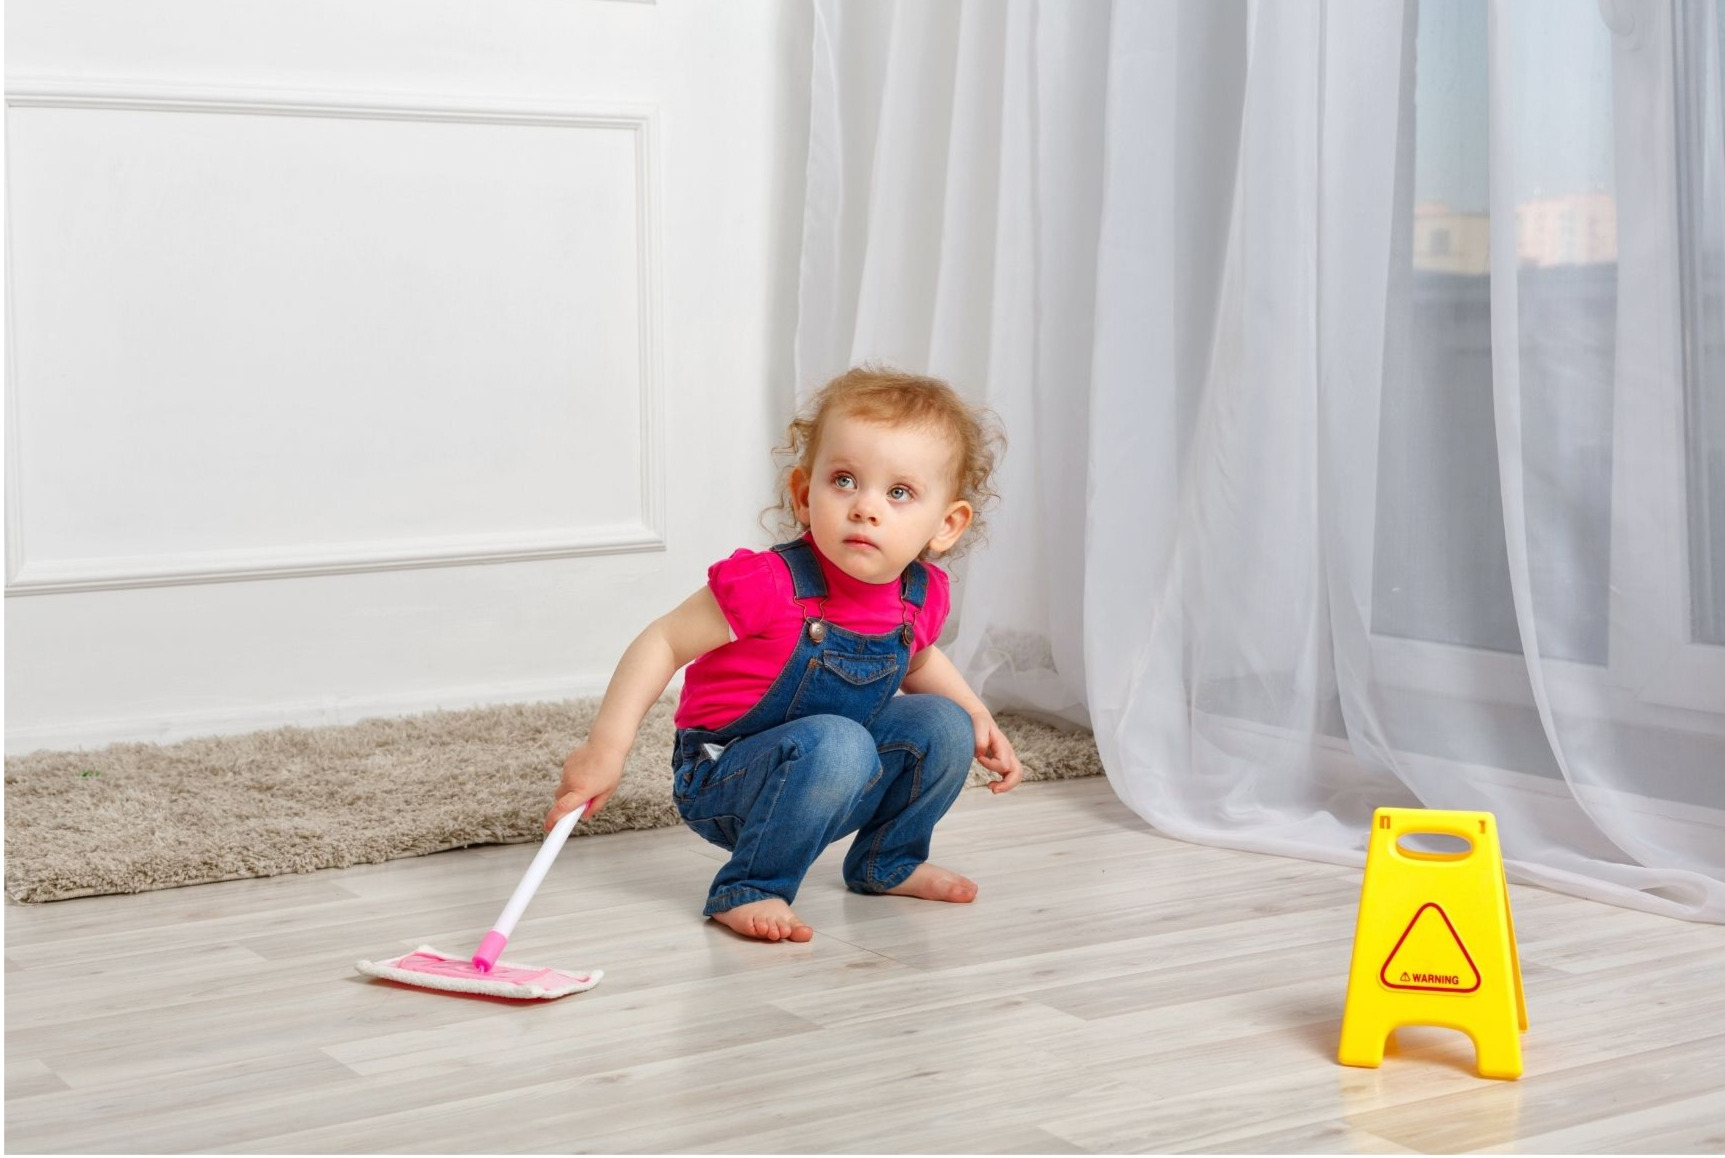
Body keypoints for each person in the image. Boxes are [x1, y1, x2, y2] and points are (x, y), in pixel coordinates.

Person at [544, 365, 1022, 942]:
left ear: (946, 525)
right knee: (840, 740)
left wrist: (976, 714)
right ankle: (750, 886)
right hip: (729, 780)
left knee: (944, 724)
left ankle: (888, 861)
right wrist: (606, 747)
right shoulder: (768, 583)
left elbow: (918, 662)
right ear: (803, 494)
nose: (865, 507)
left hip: (839, 774)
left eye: (898, 493)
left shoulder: (920, 595)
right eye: (844, 480)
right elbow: (663, 641)